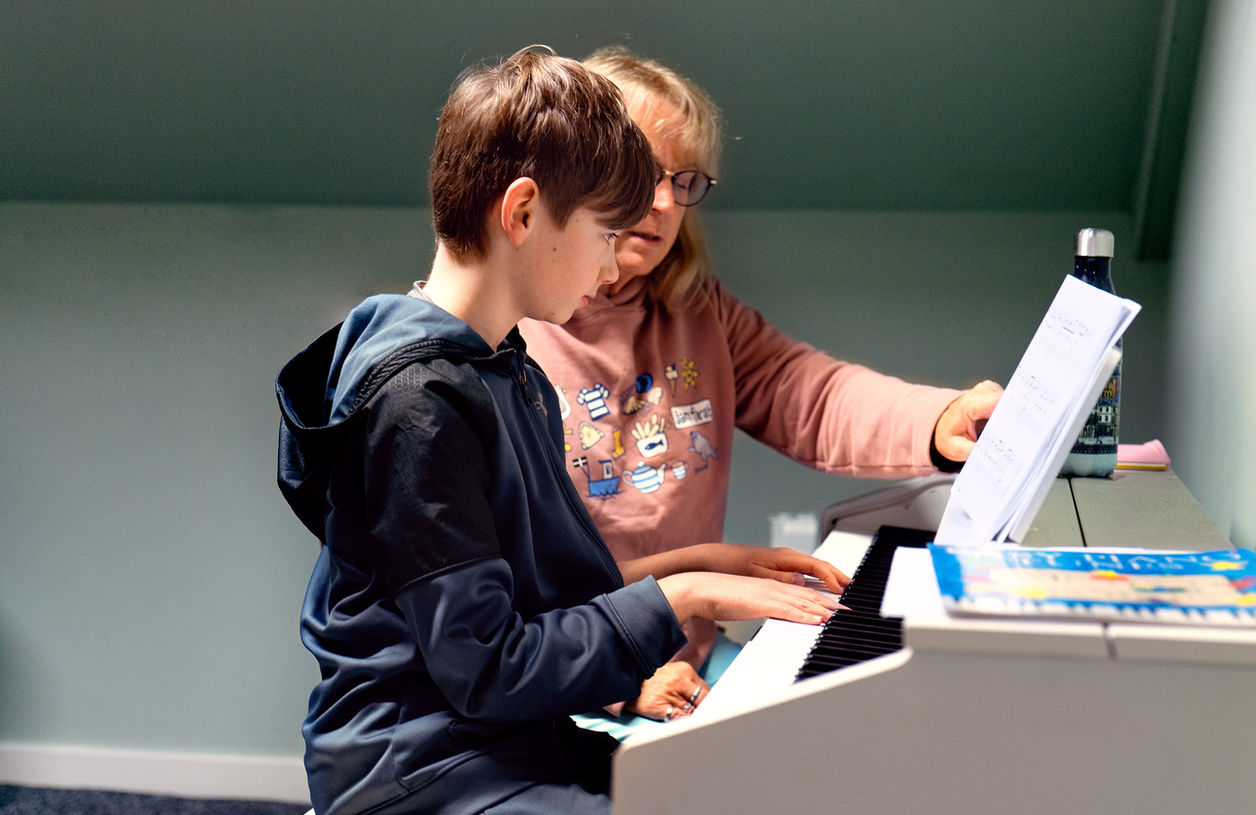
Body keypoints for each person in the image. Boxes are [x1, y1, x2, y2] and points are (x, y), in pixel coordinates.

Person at [274, 48, 849, 815]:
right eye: (606, 234)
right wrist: (682, 594)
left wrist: (711, 561)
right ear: (522, 213)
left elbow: (542, 596)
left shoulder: (505, 365)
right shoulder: (417, 404)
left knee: (738, 785)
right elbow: (488, 666)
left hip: (503, 736)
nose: (614, 268)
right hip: (421, 765)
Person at [518, 46, 1003, 733]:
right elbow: (495, 601)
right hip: (565, 679)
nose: (662, 203)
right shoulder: (508, 337)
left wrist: (941, 418)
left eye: (683, 181)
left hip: (689, 654)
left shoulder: (697, 310)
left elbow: (809, 391)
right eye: (640, 175)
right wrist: (616, 685)